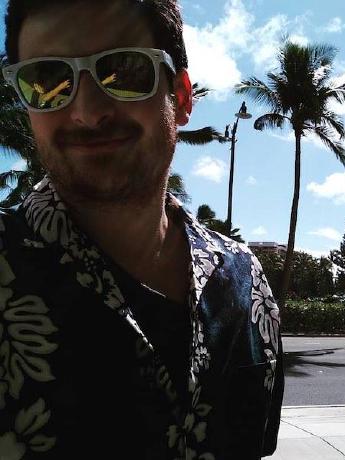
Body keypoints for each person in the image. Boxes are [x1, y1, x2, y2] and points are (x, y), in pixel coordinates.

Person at [0, 0, 284, 459]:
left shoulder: (246, 282)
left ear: (182, 97)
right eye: (47, 80)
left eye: (124, 71)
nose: (87, 112)